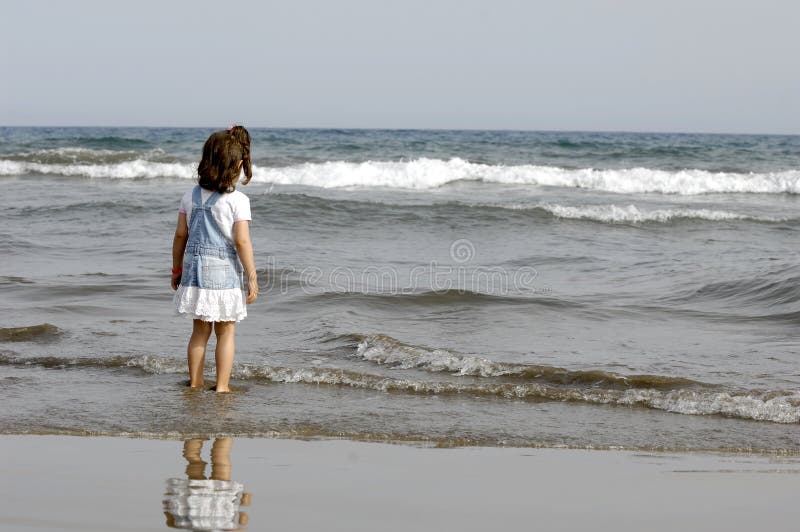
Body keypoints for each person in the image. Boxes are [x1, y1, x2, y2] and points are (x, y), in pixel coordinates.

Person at [171, 126, 258, 393]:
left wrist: (176, 270)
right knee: (226, 332)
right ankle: (222, 386)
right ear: (239, 164)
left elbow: (180, 235)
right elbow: (242, 241)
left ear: (205, 160)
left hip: (195, 272)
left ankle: (196, 382)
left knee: (199, 332)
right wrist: (252, 277)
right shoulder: (237, 201)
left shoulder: (190, 196)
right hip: (224, 274)